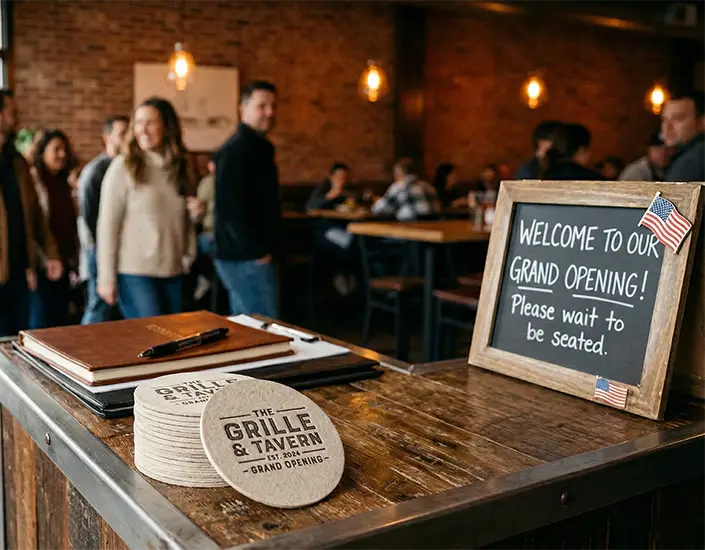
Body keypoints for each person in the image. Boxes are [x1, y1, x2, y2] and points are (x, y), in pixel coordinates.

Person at [97, 97, 196, 319]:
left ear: (167, 127)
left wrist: (188, 254)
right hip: (135, 273)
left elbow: (182, 220)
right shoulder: (123, 167)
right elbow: (107, 226)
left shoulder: (180, 167)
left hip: (174, 271)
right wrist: (106, 277)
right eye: (138, 122)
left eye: (150, 122)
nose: (143, 130)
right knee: (152, 338)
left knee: (172, 342)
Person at [214, 81, 281, 317]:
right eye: (262, 106)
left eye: (272, 106)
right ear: (243, 108)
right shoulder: (236, 150)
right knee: (266, 331)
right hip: (245, 257)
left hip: (247, 255)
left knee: (249, 330)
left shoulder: (258, 147)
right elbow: (229, 208)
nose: (270, 113)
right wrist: (257, 252)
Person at [0, 90, 62, 336]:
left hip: (17, 272)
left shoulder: (17, 163)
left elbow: (35, 214)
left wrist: (51, 254)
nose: (16, 117)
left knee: (14, 340)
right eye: (10, 112)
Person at [78, 115, 129, 324]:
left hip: (123, 250)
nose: (127, 138)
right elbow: (89, 215)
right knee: (98, 306)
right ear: (107, 137)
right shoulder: (95, 170)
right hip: (99, 250)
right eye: (121, 134)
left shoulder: (128, 167)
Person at [29, 129, 79, 328]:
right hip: (43, 263)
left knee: (60, 322)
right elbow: (33, 225)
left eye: (64, 149)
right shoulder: (34, 180)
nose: (63, 154)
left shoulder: (65, 183)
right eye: (56, 149)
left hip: (65, 261)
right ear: (42, 152)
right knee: (40, 322)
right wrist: (46, 257)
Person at [371, 158, 438, 221]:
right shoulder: (428, 186)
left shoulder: (399, 187)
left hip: (410, 228)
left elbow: (378, 209)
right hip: (433, 228)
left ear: (399, 172)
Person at [662, 90, 705, 182]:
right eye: (664, 119)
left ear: (701, 122)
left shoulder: (691, 161)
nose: (667, 126)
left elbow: (671, 196)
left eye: (677, 118)